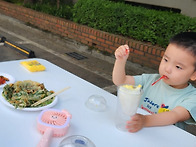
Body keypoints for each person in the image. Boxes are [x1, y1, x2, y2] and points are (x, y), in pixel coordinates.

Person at [112, 32, 196, 133]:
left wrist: (145, 120)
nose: (167, 69)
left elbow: (174, 115)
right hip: (138, 132)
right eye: (166, 60)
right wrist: (120, 61)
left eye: (178, 67)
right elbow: (121, 82)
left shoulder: (192, 97)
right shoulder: (150, 80)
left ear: (194, 74)